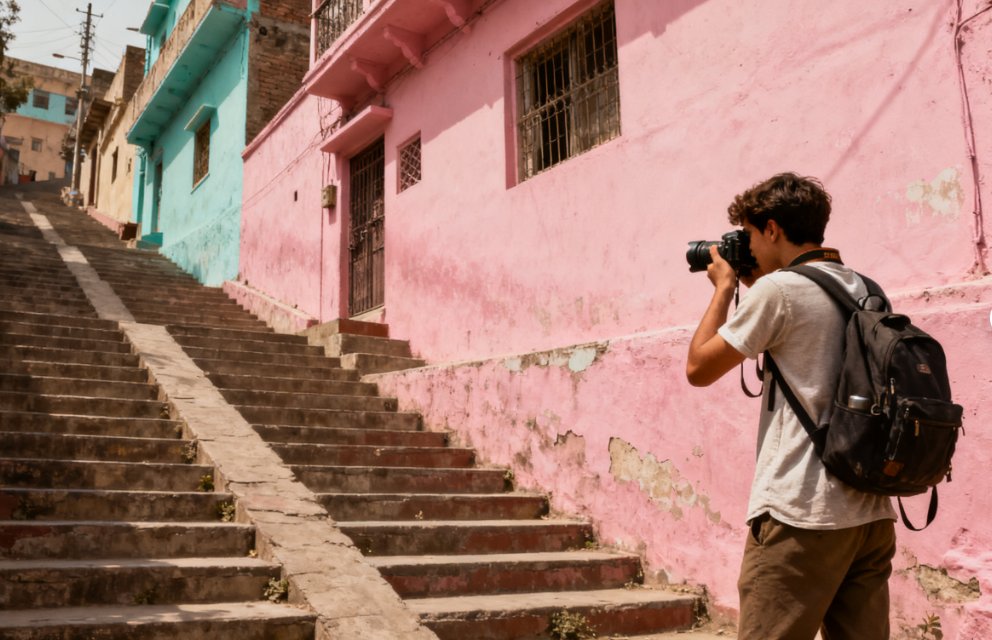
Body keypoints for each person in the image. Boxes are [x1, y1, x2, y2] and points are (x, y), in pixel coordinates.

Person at [685, 172, 897, 639]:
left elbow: (699, 368)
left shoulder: (778, 292)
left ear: (773, 229)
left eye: (750, 234)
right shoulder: (866, 289)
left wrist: (724, 287)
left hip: (801, 513)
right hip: (870, 512)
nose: (748, 247)